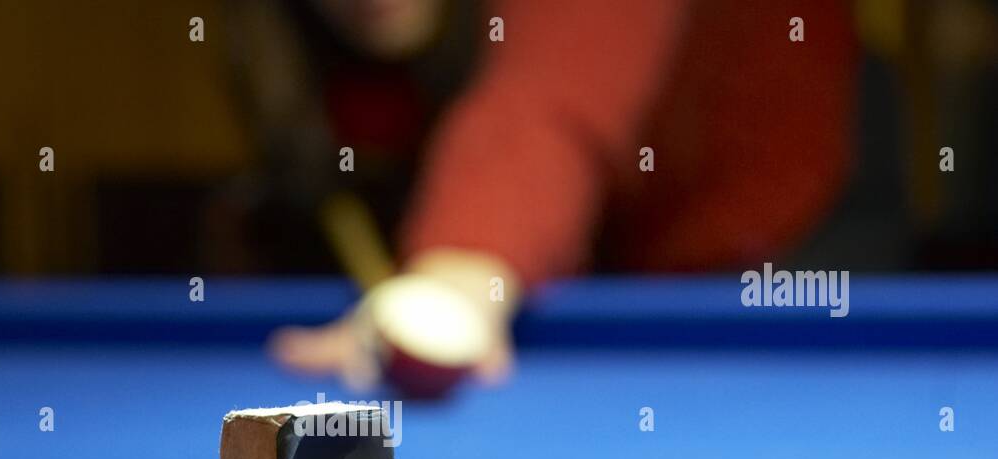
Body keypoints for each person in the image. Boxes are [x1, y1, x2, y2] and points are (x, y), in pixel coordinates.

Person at [226, 0, 857, 388]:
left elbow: (544, 104)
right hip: (606, 231)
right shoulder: (320, 47)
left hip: (783, 201)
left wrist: (456, 280)